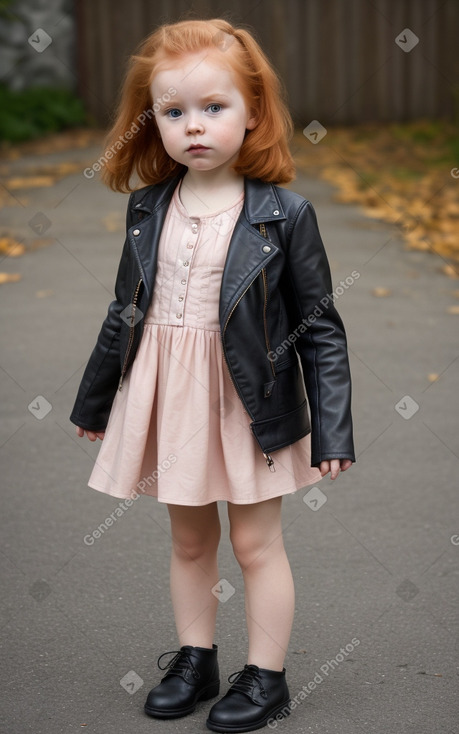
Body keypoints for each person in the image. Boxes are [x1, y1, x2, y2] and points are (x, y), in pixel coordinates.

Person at [70, 17, 355, 733]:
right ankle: (195, 658)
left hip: (248, 402)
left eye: (213, 107)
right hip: (169, 398)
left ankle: (267, 676)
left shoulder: (283, 215)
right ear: (152, 121)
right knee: (190, 541)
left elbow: (319, 327)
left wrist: (333, 426)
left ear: (252, 111)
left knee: (256, 544)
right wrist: (95, 396)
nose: (192, 126)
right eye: (173, 112)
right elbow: (124, 311)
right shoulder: (147, 209)